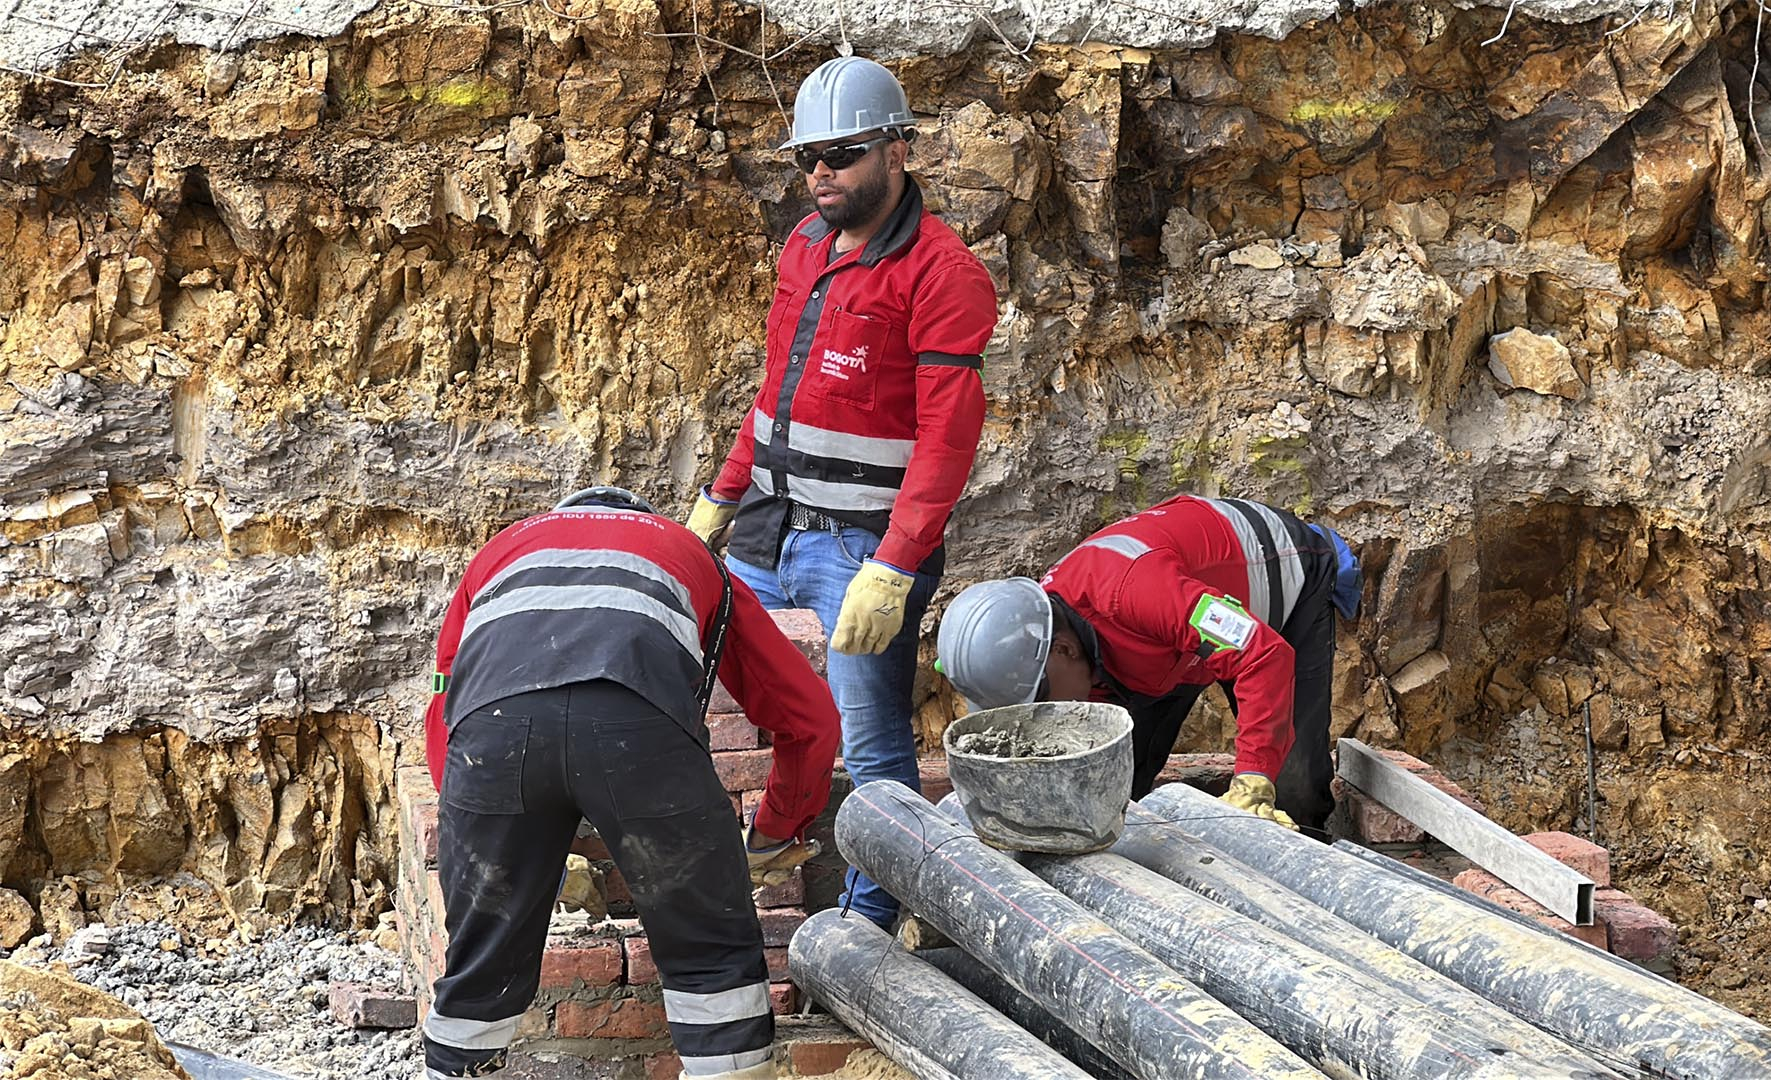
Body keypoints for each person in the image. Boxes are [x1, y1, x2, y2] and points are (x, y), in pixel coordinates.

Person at [684, 56, 998, 929]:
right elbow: (777, 392)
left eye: (841, 152)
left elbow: (947, 439)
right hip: (767, 528)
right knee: (706, 695)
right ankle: (733, 868)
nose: (820, 171)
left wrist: (896, 566)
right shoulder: (806, 249)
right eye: (806, 157)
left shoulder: (943, 274)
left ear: (899, 151)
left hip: (859, 547)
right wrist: (722, 495)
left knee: (872, 744)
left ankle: (869, 926)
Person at [419, 487, 837, 1080]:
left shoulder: (500, 551)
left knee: (479, 962)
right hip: (639, 725)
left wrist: (491, 833)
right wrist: (775, 830)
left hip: (493, 735)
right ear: (641, 518)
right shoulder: (688, 551)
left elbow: (445, 703)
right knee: (710, 955)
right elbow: (809, 719)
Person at [934, 494, 1361, 833]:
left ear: (1063, 650)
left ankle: (1304, 863)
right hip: (1170, 639)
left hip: (1282, 583)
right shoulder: (1049, 625)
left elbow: (1260, 653)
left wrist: (1253, 779)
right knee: (1117, 781)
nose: (1045, 716)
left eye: (1040, 699)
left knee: (1292, 785)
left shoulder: (1141, 594)